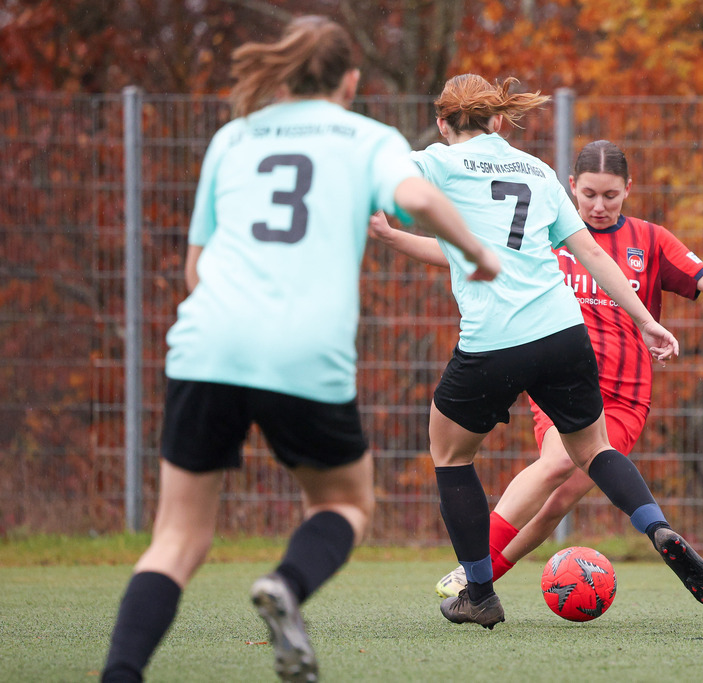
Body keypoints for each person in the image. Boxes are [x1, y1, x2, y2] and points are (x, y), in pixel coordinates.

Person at [100, 17, 498, 683]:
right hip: (303, 351)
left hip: (207, 344)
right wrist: (476, 251)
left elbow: (195, 270)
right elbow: (417, 195)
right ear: (350, 80)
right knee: (344, 505)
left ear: (284, 71)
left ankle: (121, 672)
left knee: (177, 539)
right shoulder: (368, 138)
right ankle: (286, 585)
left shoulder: (233, 138)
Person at [370, 74, 703, 631]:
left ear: (443, 123)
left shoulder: (436, 160)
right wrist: (647, 321)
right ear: (498, 121)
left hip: (493, 339)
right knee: (593, 449)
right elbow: (591, 256)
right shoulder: (536, 170)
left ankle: (480, 592)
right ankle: (655, 526)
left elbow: (389, 189)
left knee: (451, 452)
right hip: (563, 332)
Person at [426, 140, 703, 597]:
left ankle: (480, 578)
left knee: (558, 498)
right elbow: (459, 252)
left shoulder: (650, 240)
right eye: (590, 195)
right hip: (561, 382)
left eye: (611, 196)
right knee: (557, 463)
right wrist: (391, 236)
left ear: (628, 190)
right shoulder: (545, 233)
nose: (599, 206)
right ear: (571, 187)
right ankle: (475, 574)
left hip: (625, 398)